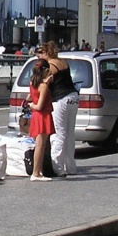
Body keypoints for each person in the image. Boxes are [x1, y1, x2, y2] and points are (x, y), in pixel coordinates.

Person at [39, 40, 79, 177]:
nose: (38, 57)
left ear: (46, 53)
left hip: (61, 99)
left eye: (40, 53)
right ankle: (71, 166)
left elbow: (45, 81)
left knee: (58, 134)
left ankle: (57, 167)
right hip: (73, 97)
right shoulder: (63, 62)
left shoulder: (51, 65)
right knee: (69, 133)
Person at [27, 59, 54, 180]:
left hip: (36, 116)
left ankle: (38, 171)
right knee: (40, 145)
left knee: (40, 145)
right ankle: (36, 173)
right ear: (45, 70)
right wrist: (32, 105)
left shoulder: (33, 82)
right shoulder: (43, 86)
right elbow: (39, 105)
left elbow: (29, 97)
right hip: (43, 115)